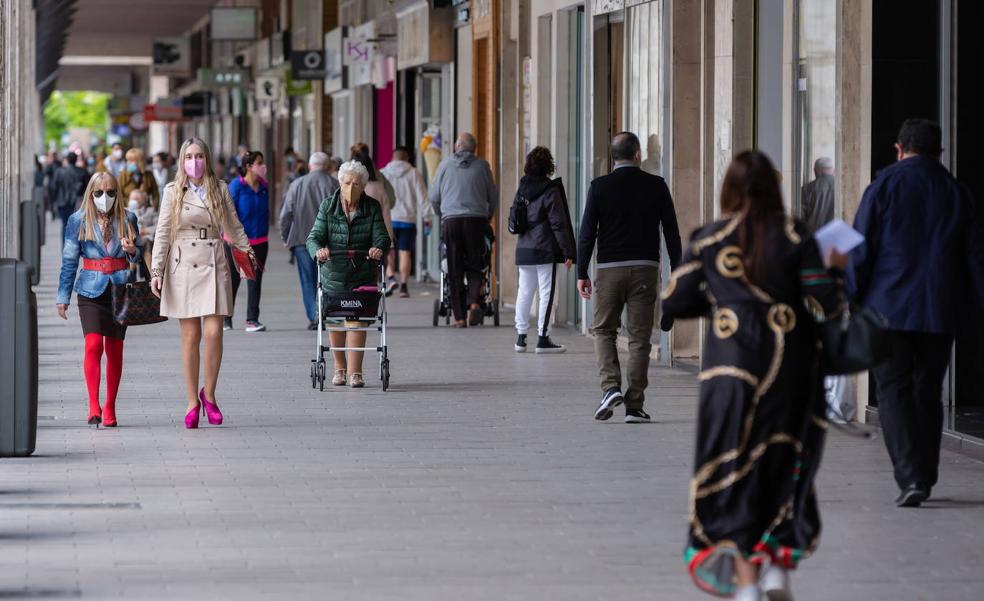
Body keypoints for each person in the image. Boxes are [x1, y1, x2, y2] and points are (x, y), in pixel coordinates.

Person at [661, 150, 845, 601]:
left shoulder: (708, 238)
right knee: (784, 460)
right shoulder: (795, 235)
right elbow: (827, 301)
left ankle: (746, 584)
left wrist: (727, 309)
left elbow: (674, 302)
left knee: (735, 463)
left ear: (729, 189)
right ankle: (778, 569)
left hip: (732, 369)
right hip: (789, 366)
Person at [847, 118, 984, 508]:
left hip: (887, 310)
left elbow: (861, 248)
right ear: (938, 151)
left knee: (893, 390)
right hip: (939, 311)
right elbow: (975, 258)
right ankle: (924, 473)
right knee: (927, 391)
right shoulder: (958, 193)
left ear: (899, 148)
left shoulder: (884, 186)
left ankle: (910, 476)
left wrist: (850, 300)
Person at [150, 137, 255, 429]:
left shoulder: (220, 188)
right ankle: (191, 402)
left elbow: (234, 226)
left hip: (213, 260)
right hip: (182, 263)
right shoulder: (173, 191)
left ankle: (209, 394)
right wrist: (156, 270)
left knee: (214, 334)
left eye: (198, 156)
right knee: (190, 337)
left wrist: (247, 256)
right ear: (182, 160)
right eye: (188, 156)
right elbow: (162, 232)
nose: (193, 161)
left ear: (207, 158)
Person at [577, 132, 682, 423]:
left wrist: (582, 271)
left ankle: (610, 387)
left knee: (604, 330)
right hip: (645, 269)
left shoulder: (599, 187)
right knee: (639, 338)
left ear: (614, 157)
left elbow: (587, 233)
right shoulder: (656, 186)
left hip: (609, 270)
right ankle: (634, 405)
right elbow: (672, 234)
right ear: (637, 155)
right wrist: (677, 271)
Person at [56, 172, 142, 428]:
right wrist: (63, 297)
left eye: (111, 192)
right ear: (90, 194)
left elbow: (137, 258)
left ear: (118, 194)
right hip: (90, 290)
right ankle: (93, 404)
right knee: (93, 345)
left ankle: (110, 406)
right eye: (99, 193)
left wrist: (133, 251)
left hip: (119, 289)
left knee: (115, 349)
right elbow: (69, 261)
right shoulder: (77, 220)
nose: (105, 198)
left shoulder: (128, 218)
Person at [306, 160, 390, 388]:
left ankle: (355, 373)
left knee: (356, 322)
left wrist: (378, 247)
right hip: (334, 273)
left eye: (355, 183)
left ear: (363, 186)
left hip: (362, 274)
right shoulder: (327, 206)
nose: (350, 186)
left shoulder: (371, 207)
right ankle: (339, 368)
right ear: (339, 182)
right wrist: (319, 251)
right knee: (334, 322)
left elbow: (382, 236)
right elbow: (313, 238)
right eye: (346, 182)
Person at [428, 133, 498, 326]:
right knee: (476, 263)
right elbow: (492, 196)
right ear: (474, 149)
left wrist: (441, 214)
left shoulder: (444, 165)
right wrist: (488, 214)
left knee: (454, 267)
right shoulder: (483, 166)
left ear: (457, 146)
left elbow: (434, 196)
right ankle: (474, 304)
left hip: (451, 220)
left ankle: (459, 318)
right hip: (476, 220)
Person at [512, 146, 576, 353]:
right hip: (544, 248)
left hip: (523, 248)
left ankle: (521, 338)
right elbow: (558, 223)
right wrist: (568, 252)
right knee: (547, 293)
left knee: (524, 292)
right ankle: (543, 338)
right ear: (548, 166)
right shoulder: (550, 190)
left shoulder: (522, 188)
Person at [279, 151, 340, 329]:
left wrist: (285, 237)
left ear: (310, 165)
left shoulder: (297, 184)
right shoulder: (334, 185)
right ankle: (328, 312)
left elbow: (285, 215)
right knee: (329, 279)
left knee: (308, 279)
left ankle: (315, 316)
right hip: (330, 242)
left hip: (302, 240)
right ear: (327, 166)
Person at [225, 150, 271, 333]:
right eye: (259, 163)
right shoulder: (236, 186)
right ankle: (226, 319)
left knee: (255, 280)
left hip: (260, 240)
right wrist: (229, 236)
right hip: (238, 242)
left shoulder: (264, 186)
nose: (263, 166)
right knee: (234, 279)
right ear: (249, 167)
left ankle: (252, 319)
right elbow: (227, 213)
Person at [381, 147, 430, 298]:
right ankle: (403, 286)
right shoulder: (414, 172)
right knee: (405, 252)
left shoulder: (383, 173)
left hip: (388, 219)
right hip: (408, 219)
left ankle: (390, 278)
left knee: (388, 251)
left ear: (393, 157)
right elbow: (422, 197)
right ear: (407, 159)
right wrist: (427, 217)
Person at [49, 151, 89, 242]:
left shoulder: (59, 171)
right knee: (76, 225)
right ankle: (74, 245)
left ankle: (65, 246)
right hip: (77, 203)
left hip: (62, 202)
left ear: (66, 160)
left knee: (65, 225)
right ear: (76, 160)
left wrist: (54, 201)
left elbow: (54, 187)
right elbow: (87, 188)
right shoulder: (82, 171)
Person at [800, 157, 835, 234]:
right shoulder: (842, 187)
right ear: (834, 170)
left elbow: (801, 215)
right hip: (836, 233)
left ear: (815, 171)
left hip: (814, 235)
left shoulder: (807, 188)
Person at [127, 188, 157, 265]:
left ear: (143, 200)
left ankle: (150, 273)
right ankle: (130, 273)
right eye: (132, 198)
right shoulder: (125, 211)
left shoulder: (151, 210)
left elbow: (159, 226)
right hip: (130, 238)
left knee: (146, 243)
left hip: (145, 239)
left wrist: (145, 230)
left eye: (137, 198)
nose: (134, 200)